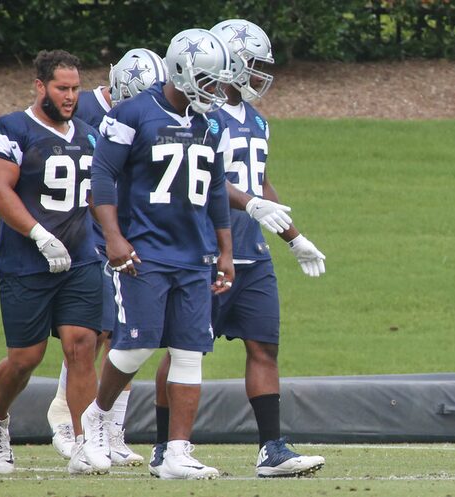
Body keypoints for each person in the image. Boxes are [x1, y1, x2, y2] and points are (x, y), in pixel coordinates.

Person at [149, 19, 326, 479]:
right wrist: (253, 204)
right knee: (184, 350)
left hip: (254, 254)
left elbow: (258, 177)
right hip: (208, 250)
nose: (260, 73)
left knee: (264, 348)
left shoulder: (257, 118)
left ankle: (272, 448)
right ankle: (164, 445)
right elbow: (206, 178)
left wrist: (293, 235)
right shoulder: (203, 117)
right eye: (253, 64)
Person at [80, 28, 236, 480]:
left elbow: (217, 192)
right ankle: (96, 416)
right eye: (208, 81)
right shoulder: (133, 113)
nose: (214, 92)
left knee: (190, 353)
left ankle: (176, 453)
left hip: (194, 253)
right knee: (138, 344)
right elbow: (103, 177)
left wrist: (224, 251)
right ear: (183, 72)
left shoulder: (210, 124)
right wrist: (113, 236)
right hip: (145, 249)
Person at [0, 49, 101, 475]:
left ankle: (86, 443)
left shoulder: (88, 133)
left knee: (82, 345)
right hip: (24, 262)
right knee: (25, 358)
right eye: (61, 88)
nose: (70, 96)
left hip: (80, 259)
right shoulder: (12, 128)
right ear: (40, 86)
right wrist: (39, 234)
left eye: (75, 88)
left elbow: (98, 196)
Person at [47, 47, 166, 465]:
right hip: (90, 234)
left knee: (125, 332)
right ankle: (66, 412)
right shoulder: (87, 112)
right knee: (92, 333)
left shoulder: (148, 112)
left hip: (127, 231)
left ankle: (112, 430)